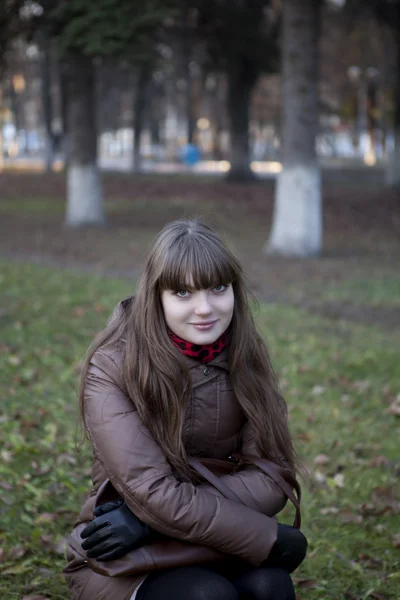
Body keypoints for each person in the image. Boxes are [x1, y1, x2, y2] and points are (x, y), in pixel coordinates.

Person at [63, 219, 307, 600]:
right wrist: (264, 535)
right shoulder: (113, 366)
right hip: (122, 554)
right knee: (207, 595)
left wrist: (152, 521)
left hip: (204, 541)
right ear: (155, 296)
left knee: (271, 586)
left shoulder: (245, 353)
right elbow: (151, 490)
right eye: (182, 292)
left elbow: (273, 476)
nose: (204, 309)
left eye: (218, 288)